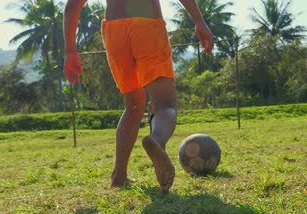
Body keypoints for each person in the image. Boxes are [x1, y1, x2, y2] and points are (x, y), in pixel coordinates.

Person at [63, 0, 214, 193]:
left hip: (115, 30)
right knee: (164, 105)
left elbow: (73, 6)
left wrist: (70, 50)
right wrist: (199, 22)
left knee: (133, 107)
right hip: (148, 25)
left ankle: (119, 176)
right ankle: (156, 140)